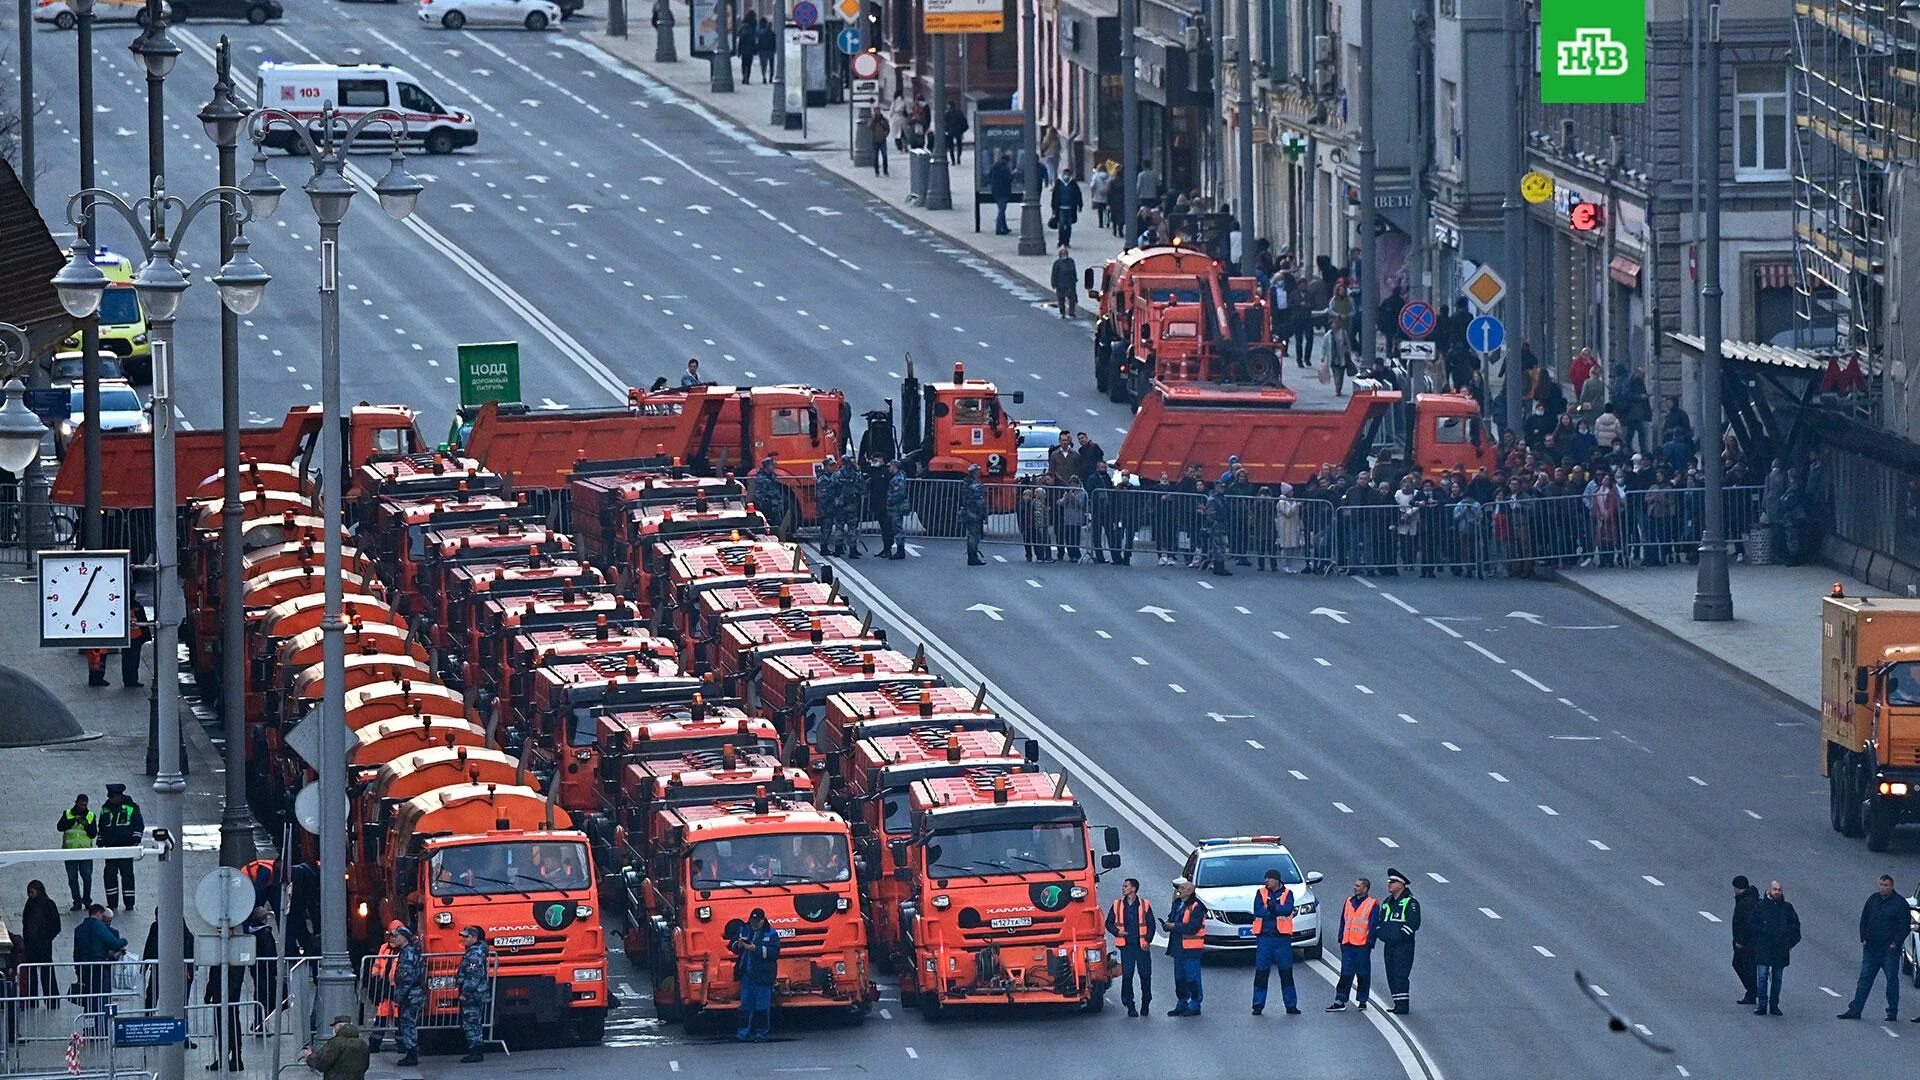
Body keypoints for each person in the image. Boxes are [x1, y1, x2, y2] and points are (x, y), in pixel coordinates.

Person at [1839, 873, 1907, 1022]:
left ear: (1892, 886)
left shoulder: (1900, 903)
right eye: (1881, 885)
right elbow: (1864, 918)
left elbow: (1904, 926)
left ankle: (1892, 1011)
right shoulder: (1873, 900)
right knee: (1864, 979)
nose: (1883, 888)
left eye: (1886, 885)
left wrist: (1895, 943)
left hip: (1889, 951)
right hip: (1871, 948)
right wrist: (1863, 937)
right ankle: (1855, 1009)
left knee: (1891, 981)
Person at [1250, 868, 1299, 1015]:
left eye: (1269, 879)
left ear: (1277, 880)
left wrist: (1272, 909)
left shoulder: (1287, 893)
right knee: (1261, 972)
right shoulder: (1260, 893)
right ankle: (1257, 1005)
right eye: (1266, 878)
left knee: (1286, 973)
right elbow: (1258, 911)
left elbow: (1288, 909)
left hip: (1282, 939)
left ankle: (1291, 1005)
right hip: (1265, 938)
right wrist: (1275, 910)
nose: (1266, 881)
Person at [1328, 877, 1381, 1011]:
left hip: (1362, 945)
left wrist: (1370, 943)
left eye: (1358, 886)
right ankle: (1340, 999)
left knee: (1363, 974)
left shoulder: (1372, 904)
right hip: (1348, 944)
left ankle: (1362, 1000)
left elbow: (1373, 925)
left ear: (1365, 889)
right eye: (1355, 885)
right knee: (1346, 973)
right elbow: (1343, 920)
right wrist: (1341, 938)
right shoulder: (1349, 902)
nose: (1355, 888)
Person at [728, 908, 781, 1041]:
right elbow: (732, 945)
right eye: (752, 921)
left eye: (757, 922)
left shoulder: (771, 933)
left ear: (763, 921)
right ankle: (742, 1033)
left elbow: (774, 953)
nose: (754, 924)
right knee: (745, 1006)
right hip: (747, 974)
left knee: (762, 1007)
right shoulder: (744, 929)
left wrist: (755, 949)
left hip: (763, 976)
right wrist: (738, 945)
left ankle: (761, 1033)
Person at [1105, 877, 1153, 1017]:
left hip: (1141, 947)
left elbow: (1151, 924)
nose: (1123, 888)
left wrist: (1148, 940)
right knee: (1127, 976)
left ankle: (1146, 1002)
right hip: (1127, 947)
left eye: (1126, 886)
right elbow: (1109, 923)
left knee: (1145, 975)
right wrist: (1117, 932)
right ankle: (1129, 1004)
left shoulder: (1144, 904)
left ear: (1133, 888)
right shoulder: (1117, 904)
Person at [1751, 880, 1799, 1016]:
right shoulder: (1760, 907)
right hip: (1764, 948)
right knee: (1762, 976)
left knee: (1777, 978)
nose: (1777, 892)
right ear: (1769, 891)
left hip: (1780, 949)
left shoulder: (1787, 908)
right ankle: (1762, 1004)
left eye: (1779, 890)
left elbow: (1795, 928)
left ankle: (1774, 1004)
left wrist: (1788, 943)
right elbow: (1752, 925)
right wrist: (1759, 939)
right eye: (1775, 889)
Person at [1162, 876, 1206, 1016]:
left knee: (1192, 979)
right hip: (1178, 948)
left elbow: (1193, 927)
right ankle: (1182, 1003)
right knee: (1179, 979)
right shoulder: (1178, 904)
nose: (1179, 891)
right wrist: (1167, 925)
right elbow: (1172, 917)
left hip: (1191, 949)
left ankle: (1195, 1004)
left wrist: (1174, 926)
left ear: (1189, 891)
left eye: (1181, 889)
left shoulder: (1197, 907)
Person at [1380, 868, 1420, 1014]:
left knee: (1400, 974)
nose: (1389, 884)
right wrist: (1381, 934)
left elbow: (1413, 924)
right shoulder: (1387, 902)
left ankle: (1403, 1005)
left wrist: (1399, 937)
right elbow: (1381, 921)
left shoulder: (1411, 903)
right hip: (1389, 945)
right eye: (1389, 882)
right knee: (1390, 973)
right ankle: (1397, 1003)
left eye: (1393, 882)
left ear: (1401, 885)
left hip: (1403, 946)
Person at [97, 783, 143, 911]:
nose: (111, 799)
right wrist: (100, 840)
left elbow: (138, 824)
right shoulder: (105, 808)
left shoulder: (131, 807)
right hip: (110, 847)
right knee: (109, 874)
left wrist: (135, 840)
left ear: (119, 796)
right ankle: (112, 902)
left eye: (113, 797)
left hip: (125, 847)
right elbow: (101, 826)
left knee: (127, 874)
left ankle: (129, 903)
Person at [73, 904, 126, 1003]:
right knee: (102, 995)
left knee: (89, 996)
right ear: (98, 914)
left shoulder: (79, 929)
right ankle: (101, 1016)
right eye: (102, 915)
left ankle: (90, 1014)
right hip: (99, 965)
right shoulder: (98, 926)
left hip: (84, 966)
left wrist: (77, 968)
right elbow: (113, 943)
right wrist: (123, 941)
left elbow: (76, 951)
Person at [389, 923, 425, 1065]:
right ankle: (411, 1052)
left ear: (403, 937)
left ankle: (411, 1054)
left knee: (408, 1024)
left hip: (410, 995)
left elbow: (406, 978)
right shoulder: (410, 951)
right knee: (408, 1023)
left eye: (396, 936)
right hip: (413, 993)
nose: (394, 939)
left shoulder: (408, 953)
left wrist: (400, 996)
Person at [21, 880, 62, 1004]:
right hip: (31, 945)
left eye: (32, 892)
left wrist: (46, 938)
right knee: (31, 973)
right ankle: (31, 1001)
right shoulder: (29, 904)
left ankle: (52, 1000)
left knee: (46, 973)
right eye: (29, 892)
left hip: (43, 946)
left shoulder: (49, 904)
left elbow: (56, 925)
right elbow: (25, 921)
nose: (30, 895)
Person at [455, 926, 489, 1062]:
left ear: (474, 938)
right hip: (475, 992)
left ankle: (475, 1051)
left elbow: (473, 976)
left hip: (473, 994)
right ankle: (475, 1049)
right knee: (473, 1021)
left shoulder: (475, 954)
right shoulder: (475, 951)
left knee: (471, 1022)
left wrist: (465, 992)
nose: (463, 939)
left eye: (466, 936)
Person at [57, 794, 97, 910]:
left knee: (87, 877)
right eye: (81, 804)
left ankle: (87, 900)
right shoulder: (68, 813)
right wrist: (73, 820)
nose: (83, 807)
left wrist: (87, 825)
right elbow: (60, 827)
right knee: (72, 878)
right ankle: (77, 901)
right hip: (70, 851)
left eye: (85, 805)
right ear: (76, 802)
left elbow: (93, 833)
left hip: (85, 851)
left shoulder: (90, 815)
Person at [301, 1015, 369, 1080]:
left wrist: (309, 1056)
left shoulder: (335, 1043)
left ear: (339, 1026)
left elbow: (321, 1063)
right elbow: (365, 1066)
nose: (333, 1029)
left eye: (334, 1026)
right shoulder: (362, 1044)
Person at [1730, 875, 1760, 1006]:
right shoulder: (1749, 898)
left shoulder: (1745, 903)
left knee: (1740, 965)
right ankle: (1752, 992)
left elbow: (1746, 924)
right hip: (1750, 941)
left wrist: (1740, 941)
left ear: (1737, 888)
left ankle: (1753, 991)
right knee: (1748, 967)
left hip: (1747, 943)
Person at [960, 464, 987, 566]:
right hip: (974, 512)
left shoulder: (966, 482)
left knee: (972, 535)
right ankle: (973, 557)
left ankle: (972, 556)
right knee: (974, 535)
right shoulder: (974, 484)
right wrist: (982, 512)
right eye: (978, 471)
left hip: (969, 511)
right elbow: (978, 500)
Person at [881, 459, 908, 559]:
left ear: (894, 467)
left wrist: (890, 500)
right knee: (896, 528)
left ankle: (900, 551)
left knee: (897, 528)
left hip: (897, 507)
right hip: (896, 506)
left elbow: (899, 493)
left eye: (890, 466)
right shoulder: (898, 476)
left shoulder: (898, 479)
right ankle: (900, 550)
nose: (889, 468)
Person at [1051, 169, 1082, 248]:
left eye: (1068, 174)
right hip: (1061, 208)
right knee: (1061, 225)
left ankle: (1067, 241)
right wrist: (1053, 208)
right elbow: (1054, 196)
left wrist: (1080, 205)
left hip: (1070, 208)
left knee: (1068, 226)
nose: (1066, 176)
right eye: (1065, 174)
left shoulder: (1073, 183)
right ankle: (1061, 241)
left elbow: (1078, 194)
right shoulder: (1058, 183)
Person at [987, 151, 1015, 236]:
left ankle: (1004, 227)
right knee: (1001, 211)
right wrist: (1013, 174)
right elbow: (1008, 180)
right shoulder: (1005, 169)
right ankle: (999, 229)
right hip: (1003, 192)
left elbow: (989, 176)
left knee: (1001, 210)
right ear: (1006, 160)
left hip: (995, 191)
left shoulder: (994, 167)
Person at [121, 602, 148, 687]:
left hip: (125, 636)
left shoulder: (122, 605)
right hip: (136, 636)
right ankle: (133, 679)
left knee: (126, 659)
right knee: (134, 659)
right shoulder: (137, 606)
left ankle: (127, 679)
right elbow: (143, 621)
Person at [1051, 246, 1078, 318]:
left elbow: (1074, 271)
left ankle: (1071, 312)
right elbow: (1054, 274)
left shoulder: (1071, 261)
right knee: (1061, 299)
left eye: (1065, 253)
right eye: (1062, 254)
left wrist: (1075, 280)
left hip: (1070, 283)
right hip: (1060, 284)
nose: (1064, 255)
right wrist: (1053, 283)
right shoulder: (1057, 263)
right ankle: (1062, 312)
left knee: (1072, 298)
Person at [734, 10, 757, 83]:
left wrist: (739, 51)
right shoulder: (753, 27)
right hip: (750, 50)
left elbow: (740, 40)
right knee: (749, 64)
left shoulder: (743, 29)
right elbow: (753, 41)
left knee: (744, 64)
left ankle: (744, 76)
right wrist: (755, 50)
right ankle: (747, 78)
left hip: (744, 50)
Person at [942, 101, 968, 166]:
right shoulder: (959, 112)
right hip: (958, 131)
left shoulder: (947, 113)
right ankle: (958, 157)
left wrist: (946, 130)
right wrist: (962, 130)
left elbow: (944, 123)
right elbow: (964, 121)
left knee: (951, 147)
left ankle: (953, 160)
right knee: (959, 145)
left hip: (950, 132)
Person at [867, 107, 890, 177]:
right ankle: (877, 171)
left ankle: (885, 171)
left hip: (882, 140)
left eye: (878, 111)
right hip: (875, 141)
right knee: (875, 157)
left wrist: (885, 134)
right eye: (876, 112)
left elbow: (888, 128)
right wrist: (874, 120)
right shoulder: (872, 120)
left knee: (884, 156)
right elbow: (870, 126)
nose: (877, 113)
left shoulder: (884, 120)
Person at [1088, 163, 1110, 228]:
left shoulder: (1095, 176)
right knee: (1106, 210)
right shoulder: (1108, 176)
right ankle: (1107, 222)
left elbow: (1092, 186)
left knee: (1100, 210)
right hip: (1106, 195)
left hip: (1098, 195)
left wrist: (1093, 193)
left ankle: (1101, 223)